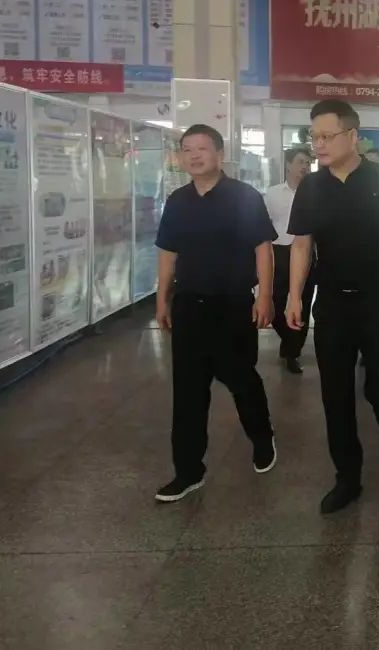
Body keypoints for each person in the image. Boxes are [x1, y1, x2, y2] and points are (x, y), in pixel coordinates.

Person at [286, 100, 379, 514]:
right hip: (332, 303)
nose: (318, 144)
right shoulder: (312, 187)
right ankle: (347, 476)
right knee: (335, 393)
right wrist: (294, 295)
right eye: (313, 137)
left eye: (326, 136)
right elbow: (301, 244)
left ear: (352, 136)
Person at [153, 124, 278, 503]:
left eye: (202, 148)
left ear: (219, 154)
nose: (194, 156)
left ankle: (262, 437)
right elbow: (168, 253)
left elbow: (263, 249)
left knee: (241, 379)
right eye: (187, 149)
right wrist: (162, 299)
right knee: (188, 392)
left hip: (233, 305)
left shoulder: (244, 197)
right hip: (189, 306)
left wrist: (265, 296)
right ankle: (188, 471)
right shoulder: (177, 201)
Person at [265, 147, 315, 375]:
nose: (305, 166)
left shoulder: (314, 193)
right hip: (279, 252)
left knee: (302, 303)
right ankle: (288, 339)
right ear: (288, 164)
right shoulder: (272, 194)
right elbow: (264, 224)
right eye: (301, 162)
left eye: (308, 163)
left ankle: (293, 352)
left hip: (306, 253)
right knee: (275, 302)